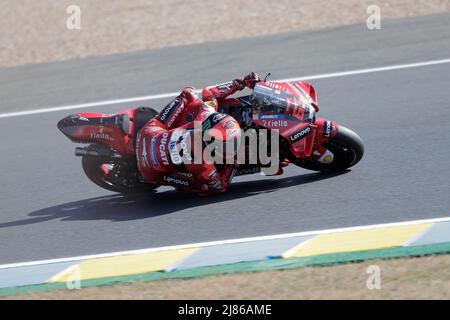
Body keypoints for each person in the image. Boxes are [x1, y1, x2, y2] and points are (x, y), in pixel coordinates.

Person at [136, 73, 261, 195]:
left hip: (147, 134)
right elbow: (221, 186)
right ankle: (176, 184)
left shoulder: (204, 115)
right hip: (150, 173)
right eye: (228, 145)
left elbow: (209, 93)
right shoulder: (205, 165)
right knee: (203, 187)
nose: (233, 148)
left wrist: (239, 83)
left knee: (189, 93)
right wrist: (235, 163)